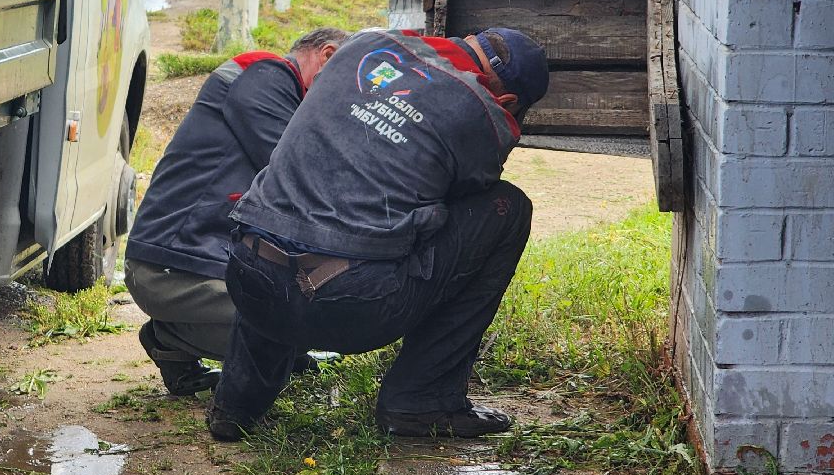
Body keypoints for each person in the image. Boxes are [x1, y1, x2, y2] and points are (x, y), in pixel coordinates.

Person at [206, 26, 549, 440]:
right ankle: (422, 401)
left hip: (248, 278)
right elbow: (462, 195)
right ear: (509, 100)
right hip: (353, 306)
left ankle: (235, 405)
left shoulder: (362, 44)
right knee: (506, 209)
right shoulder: (485, 112)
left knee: (289, 217)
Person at [125, 27, 352, 396]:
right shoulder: (262, 75)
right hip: (172, 269)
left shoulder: (277, 93)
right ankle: (170, 336)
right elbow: (302, 179)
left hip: (195, 263)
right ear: (327, 56)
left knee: (299, 321)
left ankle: (184, 339)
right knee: (292, 320)